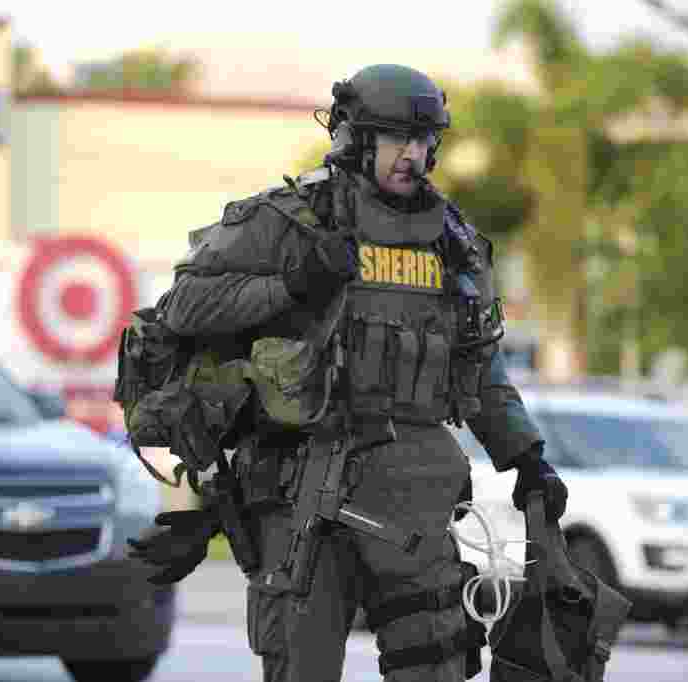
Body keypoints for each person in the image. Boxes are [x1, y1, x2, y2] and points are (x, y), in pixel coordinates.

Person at [127, 64, 568, 682]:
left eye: (422, 141)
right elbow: (184, 308)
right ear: (356, 139)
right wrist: (291, 283)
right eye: (396, 139)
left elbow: (480, 359)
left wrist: (526, 457)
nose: (412, 155)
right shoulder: (285, 220)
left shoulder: (454, 244)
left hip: (415, 504)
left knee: (435, 670)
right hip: (306, 496)